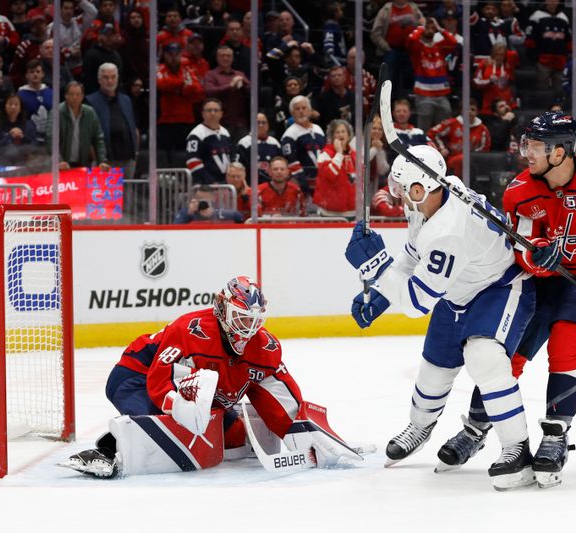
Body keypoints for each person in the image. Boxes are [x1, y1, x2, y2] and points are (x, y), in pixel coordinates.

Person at [437, 111, 576, 488]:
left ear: (560, 152)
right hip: (540, 280)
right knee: (505, 355)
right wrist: (535, 252)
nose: (527, 153)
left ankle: (555, 436)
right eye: (528, 144)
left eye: (536, 146)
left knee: (568, 342)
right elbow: (521, 245)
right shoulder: (520, 190)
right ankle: (475, 429)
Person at [344, 144, 536, 490]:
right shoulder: (437, 195)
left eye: (403, 190)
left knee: (484, 358)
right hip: (459, 289)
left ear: (420, 188)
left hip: (498, 289)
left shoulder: (449, 229)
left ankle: (517, 450)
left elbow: (417, 303)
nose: (399, 196)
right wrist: (383, 293)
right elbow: (414, 253)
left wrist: (375, 266)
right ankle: (420, 427)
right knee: (434, 368)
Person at [63, 276, 360, 478]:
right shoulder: (191, 329)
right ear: (221, 307)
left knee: (232, 439)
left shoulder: (264, 347)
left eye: (254, 321)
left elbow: (280, 401)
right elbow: (158, 381)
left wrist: (305, 434)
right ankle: (107, 449)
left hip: (194, 391)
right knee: (171, 433)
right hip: (137, 376)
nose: (247, 329)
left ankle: (179, 422)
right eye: (241, 318)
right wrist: (178, 409)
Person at [86, 63, 138, 180]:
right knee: (105, 197)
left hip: (128, 159)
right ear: (99, 79)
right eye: (106, 77)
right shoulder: (90, 101)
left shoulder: (126, 100)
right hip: (105, 161)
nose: (110, 81)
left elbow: (134, 128)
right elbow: (87, 135)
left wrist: (135, 154)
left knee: (128, 196)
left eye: (113, 77)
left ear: (118, 78)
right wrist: (96, 159)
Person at [405, 16, 457, 131]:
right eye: (427, 28)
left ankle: (441, 147)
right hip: (424, 94)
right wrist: (422, 26)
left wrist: (440, 28)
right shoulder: (418, 48)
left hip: (441, 94)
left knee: (445, 127)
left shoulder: (440, 47)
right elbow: (411, 40)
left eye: (431, 28)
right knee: (424, 127)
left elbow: (453, 42)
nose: (429, 30)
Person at [156, 43, 204, 163]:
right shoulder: (159, 69)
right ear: (165, 55)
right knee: (163, 155)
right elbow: (162, 84)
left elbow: (197, 89)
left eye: (177, 54)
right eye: (170, 54)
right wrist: (182, 85)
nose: (173, 57)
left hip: (186, 120)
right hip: (166, 120)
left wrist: (176, 87)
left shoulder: (187, 69)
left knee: (185, 155)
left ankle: (183, 180)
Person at [46, 81, 109, 170]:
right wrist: (59, 160)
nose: (75, 97)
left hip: (83, 164)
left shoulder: (90, 113)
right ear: (66, 96)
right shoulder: (56, 112)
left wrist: (102, 160)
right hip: (62, 165)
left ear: (83, 96)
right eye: (71, 94)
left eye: (78, 94)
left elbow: (98, 138)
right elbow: (51, 138)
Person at [280, 95, 326, 195]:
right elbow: (292, 163)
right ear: (292, 113)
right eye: (297, 109)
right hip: (303, 186)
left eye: (304, 108)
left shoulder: (318, 129)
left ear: (310, 111)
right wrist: (304, 186)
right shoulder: (289, 135)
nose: (301, 111)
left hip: (322, 183)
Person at [204, 45, 250, 140]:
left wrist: (245, 83)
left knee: (244, 151)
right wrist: (229, 86)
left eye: (228, 56)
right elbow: (209, 92)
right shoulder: (211, 75)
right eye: (222, 55)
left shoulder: (239, 74)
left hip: (240, 123)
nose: (225, 58)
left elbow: (252, 91)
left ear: (232, 58)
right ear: (217, 58)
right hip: (219, 123)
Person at [525, 0, 570, 97]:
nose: (553, 2)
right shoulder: (536, 16)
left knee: (559, 91)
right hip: (543, 60)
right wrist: (535, 58)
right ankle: (543, 111)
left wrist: (567, 56)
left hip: (560, 60)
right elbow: (530, 39)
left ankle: (557, 111)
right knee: (542, 90)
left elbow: (568, 40)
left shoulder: (564, 17)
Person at [186, 97, 233, 185]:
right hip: (205, 186)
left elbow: (231, 157)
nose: (212, 113)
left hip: (226, 184)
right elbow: (192, 162)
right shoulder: (196, 135)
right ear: (203, 114)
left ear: (221, 113)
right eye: (209, 110)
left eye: (216, 110)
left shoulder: (225, 133)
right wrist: (211, 182)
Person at [314, 119, 357, 216]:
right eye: (337, 132)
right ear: (332, 136)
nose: (340, 135)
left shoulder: (354, 154)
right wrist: (339, 153)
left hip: (352, 211)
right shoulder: (325, 153)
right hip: (329, 212)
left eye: (343, 131)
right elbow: (329, 175)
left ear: (349, 135)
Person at [0, 93, 37, 166]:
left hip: (23, 162)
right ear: (4, 106)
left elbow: (34, 147)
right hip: (0, 161)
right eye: (10, 104)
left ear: (20, 108)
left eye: (16, 104)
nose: (13, 107)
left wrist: (23, 137)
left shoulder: (28, 125)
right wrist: (9, 137)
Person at [234, 113, 282, 183]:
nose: (261, 125)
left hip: (273, 185)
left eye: (263, 122)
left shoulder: (275, 143)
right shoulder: (244, 143)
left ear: (268, 125)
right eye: (258, 122)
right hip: (252, 185)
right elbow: (238, 168)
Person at [17, 59, 52, 144]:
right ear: (26, 75)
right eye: (32, 72)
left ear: (43, 74)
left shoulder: (51, 92)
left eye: (38, 71)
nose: (35, 74)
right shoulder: (20, 95)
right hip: (29, 140)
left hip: (50, 138)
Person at [173, 185, 244, 224]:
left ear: (213, 199)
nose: (202, 203)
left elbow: (239, 217)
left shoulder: (219, 213)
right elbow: (175, 228)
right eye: (199, 199)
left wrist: (212, 214)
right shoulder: (188, 212)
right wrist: (188, 214)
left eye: (206, 200)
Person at [313, 65, 354, 129]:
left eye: (339, 75)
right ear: (329, 79)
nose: (336, 77)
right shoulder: (323, 98)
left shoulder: (354, 96)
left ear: (345, 77)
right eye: (333, 76)